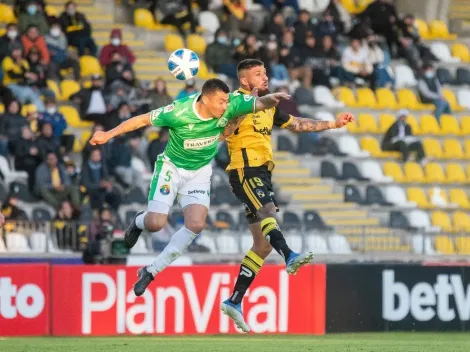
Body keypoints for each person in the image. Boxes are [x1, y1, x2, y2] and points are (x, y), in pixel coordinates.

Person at [89, 78, 291, 296]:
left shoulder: (232, 103)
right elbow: (141, 120)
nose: (225, 107)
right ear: (205, 99)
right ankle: (139, 221)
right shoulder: (178, 111)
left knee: (196, 225)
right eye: (221, 102)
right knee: (156, 223)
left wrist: (273, 98)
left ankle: (151, 271)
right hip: (171, 169)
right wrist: (107, 134)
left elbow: (260, 103)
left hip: (200, 172)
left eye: (226, 102)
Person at [218, 59, 354, 332]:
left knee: (262, 245)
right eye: (258, 74)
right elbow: (222, 134)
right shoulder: (232, 102)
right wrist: (245, 110)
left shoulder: (269, 105)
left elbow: (298, 124)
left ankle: (234, 300)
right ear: (245, 81)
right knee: (268, 209)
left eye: (265, 72)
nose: (265, 77)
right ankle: (290, 255)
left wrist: (333, 124)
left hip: (262, 172)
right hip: (243, 170)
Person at [2, 43, 45, 111]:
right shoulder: (7, 60)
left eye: (19, 50)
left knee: (35, 93)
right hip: (9, 84)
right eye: (15, 50)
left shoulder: (24, 61)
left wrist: (21, 65)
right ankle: (18, 110)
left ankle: (42, 113)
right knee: (26, 92)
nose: (17, 53)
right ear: (11, 51)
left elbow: (26, 73)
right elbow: (12, 75)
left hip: (22, 85)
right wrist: (26, 75)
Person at [13, 125, 42, 191]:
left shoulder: (33, 141)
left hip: (33, 161)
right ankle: (31, 189)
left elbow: (39, 151)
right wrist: (29, 152)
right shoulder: (19, 141)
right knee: (32, 168)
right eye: (25, 132)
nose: (27, 133)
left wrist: (37, 152)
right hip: (21, 163)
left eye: (28, 132)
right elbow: (18, 153)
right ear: (22, 133)